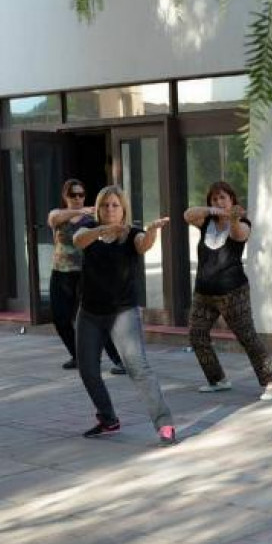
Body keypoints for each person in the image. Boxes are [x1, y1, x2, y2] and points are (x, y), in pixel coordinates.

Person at [72, 185, 177, 446]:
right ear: (98, 208)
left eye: (115, 205)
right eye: (105, 205)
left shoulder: (132, 233)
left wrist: (151, 232)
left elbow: (144, 245)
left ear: (123, 209)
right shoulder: (88, 228)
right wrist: (102, 231)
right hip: (90, 313)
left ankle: (164, 424)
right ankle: (108, 419)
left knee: (138, 368)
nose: (110, 210)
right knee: (88, 370)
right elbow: (78, 240)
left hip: (122, 312)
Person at [183, 181, 272, 402]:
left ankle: (270, 383)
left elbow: (240, 235)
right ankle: (217, 379)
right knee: (196, 335)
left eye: (223, 198)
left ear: (232, 201)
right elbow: (187, 214)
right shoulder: (206, 221)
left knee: (247, 336)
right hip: (203, 293)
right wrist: (212, 211)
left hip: (233, 293)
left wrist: (233, 218)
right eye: (215, 199)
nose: (219, 202)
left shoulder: (242, 223)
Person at [48, 178, 125, 374]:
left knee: (95, 319)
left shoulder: (91, 221)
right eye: (73, 195)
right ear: (65, 196)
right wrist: (79, 211)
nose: (78, 198)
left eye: (81, 195)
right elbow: (54, 219)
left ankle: (119, 360)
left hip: (84, 275)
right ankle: (78, 356)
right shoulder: (59, 215)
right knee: (60, 318)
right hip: (60, 274)